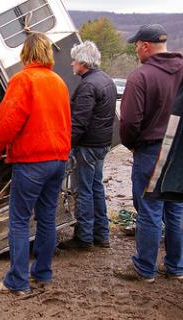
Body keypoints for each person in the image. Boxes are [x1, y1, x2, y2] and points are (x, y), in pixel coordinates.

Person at [0, 32, 71, 294]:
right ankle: (42, 273)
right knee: (46, 218)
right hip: (58, 159)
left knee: (19, 221)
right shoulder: (59, 82)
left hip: (33, 161)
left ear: (25, 53)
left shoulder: (23, 80)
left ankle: (17, 281)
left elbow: (9, 121)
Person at [117, 24, 183, 282]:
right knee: (176, 208)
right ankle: (176, 267)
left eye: (136, 45)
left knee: (150, 209)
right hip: (179, 151)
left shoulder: (141, 76)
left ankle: (145, 268)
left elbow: (130, 122)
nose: (135, 49)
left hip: (152, 150)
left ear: (145, 46)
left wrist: (131, 144)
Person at [58, 41, 116, 250]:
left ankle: (84, 238)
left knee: (83, 191)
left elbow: (79, 122)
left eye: (74, 60)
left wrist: (65, 145)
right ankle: (102, 234)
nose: (72, 63)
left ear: (83, 62)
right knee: (96, 188)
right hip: (101, 145)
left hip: (87, 147)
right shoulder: (106, 80)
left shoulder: (88, 86)